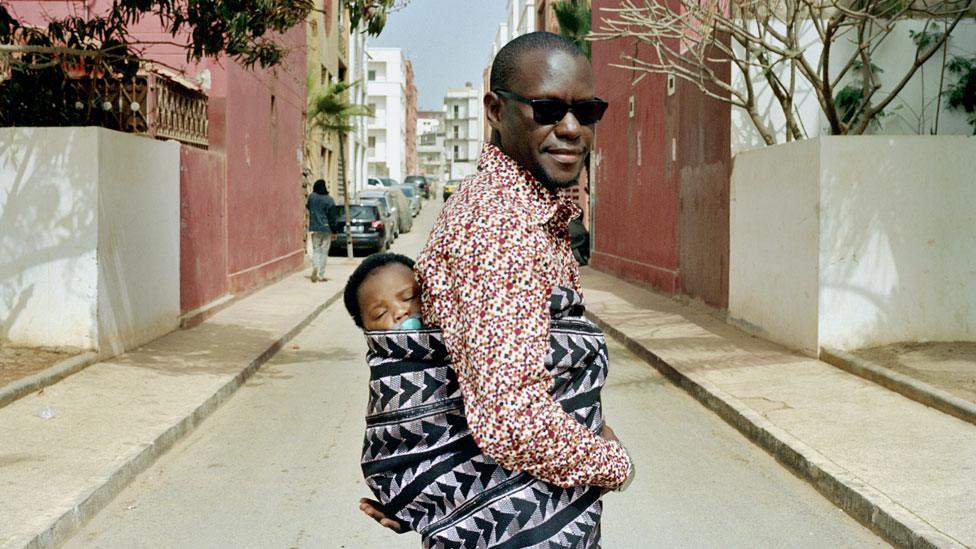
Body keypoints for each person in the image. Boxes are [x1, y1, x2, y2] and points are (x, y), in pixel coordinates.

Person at [360, 32, 634, 544]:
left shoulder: (529, 213)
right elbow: (514, 421)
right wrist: (614, 463)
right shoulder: (499, 225)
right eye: (548, 108)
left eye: (587, 110)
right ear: (494, 109)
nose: (571, 128)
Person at [346, 253, 624, 546]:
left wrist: (603, 455)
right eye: (379, 314)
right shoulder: (392, 382)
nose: (400, 311)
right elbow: (399, 458)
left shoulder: (493, 343)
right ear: (367, 331)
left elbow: (559, 411)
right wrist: (413, 506)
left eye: (410, 296)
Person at [306, 179, 336, 283]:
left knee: (316, 250)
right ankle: (321, 275)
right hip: (326, 228)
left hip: (314, 228)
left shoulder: (312, 197)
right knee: (324, 252)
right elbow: (332, 217)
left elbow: (308, 207)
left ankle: (315, 267)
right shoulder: (329, 200)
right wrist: (334, 231)